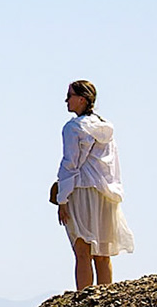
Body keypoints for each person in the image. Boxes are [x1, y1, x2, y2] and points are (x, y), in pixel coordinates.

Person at [52, 79, 133, 289]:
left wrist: (62, 198)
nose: (66, 100)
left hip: (81, 190)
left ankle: (84, 298)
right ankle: (105, 297)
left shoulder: (73, 128)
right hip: (106, 191)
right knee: (103, 253)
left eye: (70, 96)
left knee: (82, 251)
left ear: (82, 99)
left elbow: (70, 163)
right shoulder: (106, 128)